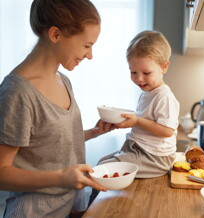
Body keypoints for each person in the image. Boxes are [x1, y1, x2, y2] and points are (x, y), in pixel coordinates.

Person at [0, 0, 114, 217]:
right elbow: (1, 173)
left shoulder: (63, 80)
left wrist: (94, 132)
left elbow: (49, 146)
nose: (90, 55)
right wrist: (62, 177)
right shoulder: (18, 92)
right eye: (87, 45)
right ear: (55, 35)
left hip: (69, 203)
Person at [89, 30, 180, 205]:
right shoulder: (148, 92)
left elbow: (167, 131)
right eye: (133, 72)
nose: (139, 79)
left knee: (100, 171)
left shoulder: (164, 97)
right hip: (139, 149)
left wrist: (137, 121)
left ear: (164, 67)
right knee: (101, 163)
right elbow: (145, 121)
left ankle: (92, 211)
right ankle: (92, 207)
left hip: (154, 158)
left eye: (146, 73)